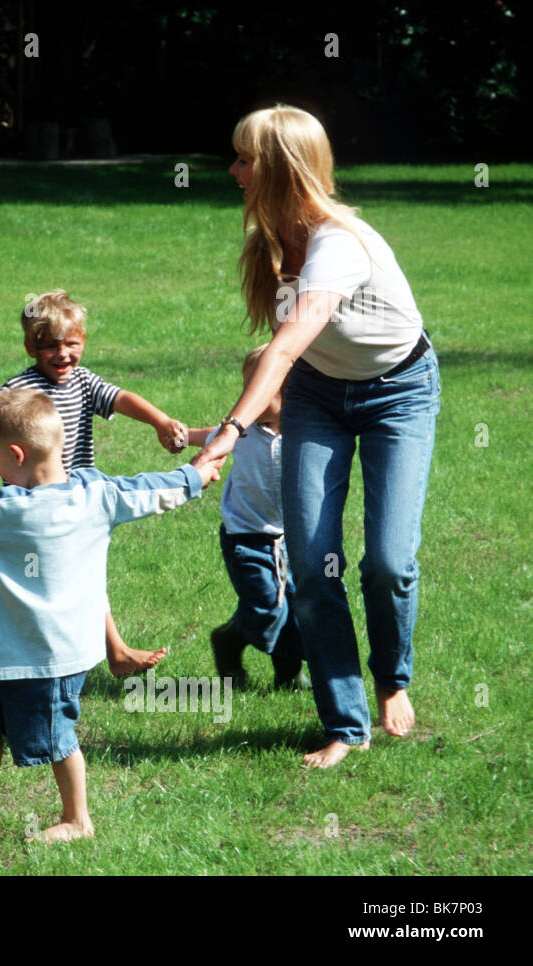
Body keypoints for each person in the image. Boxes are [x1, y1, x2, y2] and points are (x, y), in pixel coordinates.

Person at [191, 105, 440, 768]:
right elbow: (291, 360)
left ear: (277, 168)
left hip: (399, 393)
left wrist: (227, 433)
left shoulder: (339, 244)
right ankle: (344, 721)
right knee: (309, 562)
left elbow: (282, 348)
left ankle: (392, 679)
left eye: (246, 159)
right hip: (317, 398)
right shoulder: (273, 238)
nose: (234, 169)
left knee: (388, 560)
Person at [0, 389, 222, 842]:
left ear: (17, 454)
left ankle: (78, 819)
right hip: (13, 651)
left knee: (57, 738)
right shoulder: (98, 494)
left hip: (50, 658)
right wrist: (193, 476)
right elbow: (149, 490)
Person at [0, 289, 189, 675]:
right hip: (32, 501)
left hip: (74, 497)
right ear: (30, 347)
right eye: (51, 346)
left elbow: (122, 399)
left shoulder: (84, 382)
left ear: (83, 341)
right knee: (41, 574)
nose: (63, 354)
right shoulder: (21, 388)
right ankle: (113, 653)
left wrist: (160, 420)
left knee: (58, 572)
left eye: (72, 343)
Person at [185, 346, 305, 690]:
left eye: (259, 388)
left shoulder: (303, 430)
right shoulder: (242, 431)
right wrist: (184, 438)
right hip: (246, 536)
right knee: (266, 606)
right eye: (246, 387)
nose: (248, 398)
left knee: (296, 608)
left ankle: (289, 674)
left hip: (291, 537)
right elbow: (213, 436)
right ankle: (229, 640)